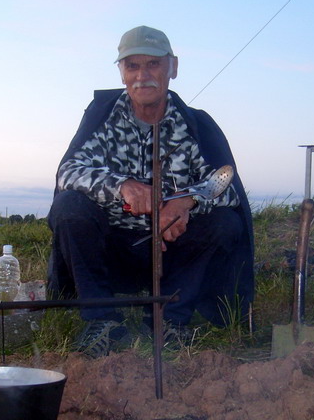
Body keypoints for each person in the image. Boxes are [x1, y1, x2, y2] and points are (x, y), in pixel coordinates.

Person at [47, 25, 254, 357]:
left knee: (225, 223)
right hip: (113, 250)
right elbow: (68, 173)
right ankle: (102, 320)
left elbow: (227, 188)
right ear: (122, 72)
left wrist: (185, 202)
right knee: (68, 207)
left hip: (173, 254)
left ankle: (170, 318)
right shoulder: (102, 118)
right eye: (132, 66)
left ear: (173, 67)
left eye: (153, 64)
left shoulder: (195, 125)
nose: (142, 76)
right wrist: (121, 187)